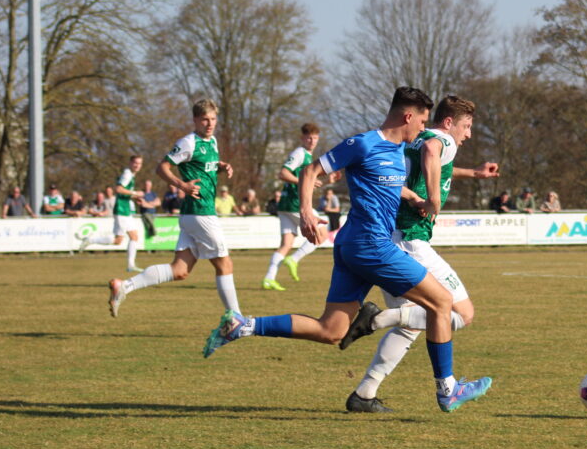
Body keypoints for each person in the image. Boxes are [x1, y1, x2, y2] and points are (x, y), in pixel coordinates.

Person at [204, 86, 492, 414]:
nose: (424, 129)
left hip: (352, 245)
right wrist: (306, 212)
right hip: (372, 245)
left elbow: (395, 179)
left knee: (331, 330)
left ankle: (242, 325)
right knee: (441, 302)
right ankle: (448, 389)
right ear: (408, 117)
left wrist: (414, 196)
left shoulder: (399, 149)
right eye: (422, 122)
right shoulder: (363, 143)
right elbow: (311, 170)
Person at [336, 94, 499, 412]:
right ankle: (379, 319)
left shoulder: (413, 139)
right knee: (462, 313)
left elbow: (430, 163)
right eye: (466, 126)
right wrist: (434, 199)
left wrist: (474, 173)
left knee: (412, 324)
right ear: (449, 122)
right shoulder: (440, 138)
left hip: (390, 237)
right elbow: (434, 151)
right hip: (411, 241)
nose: (468, 134)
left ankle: (364, 394)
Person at [106, 98, 241, 318]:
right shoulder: (189, 142)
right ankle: (236, 318)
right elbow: (162, 167)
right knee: (225, 264)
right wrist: (181, 185)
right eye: (205, 119)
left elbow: (204, 167)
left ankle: (124, 286)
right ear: (195, 120)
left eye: (213, 119)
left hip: (192, 215)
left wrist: (221, 166)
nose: (210, 124)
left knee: (180, 270)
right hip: (201, 213)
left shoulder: (212, 142)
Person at [261, 123, 329, 290]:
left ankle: (269, 278)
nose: (312, 141)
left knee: (286, 244)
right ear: (302, 138)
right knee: (322, 234)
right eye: (309, 138)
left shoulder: (307, 156)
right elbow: (283, 173)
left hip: (285, 205)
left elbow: (307, 181)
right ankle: (294, 259)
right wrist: (303, 181)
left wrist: (325, 180)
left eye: (315, 138)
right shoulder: (300, 153)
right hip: (294, 203)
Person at [79, 155, 147, 272]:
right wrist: (135, 193)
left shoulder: (131, 175)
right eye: (135, 163)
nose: (137, 165)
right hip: (121, 210)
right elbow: (119, 189)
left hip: (125, 209)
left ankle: (130, 265)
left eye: (139, 163)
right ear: (130, 163)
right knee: (125, 238)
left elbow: (123, 192)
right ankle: (91, 240)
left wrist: (134, 197)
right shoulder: (127, 174)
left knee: (124, 239)